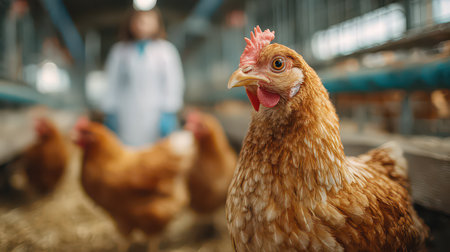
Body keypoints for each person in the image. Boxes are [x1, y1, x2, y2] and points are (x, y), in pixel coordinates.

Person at [102, 8, 184, 146]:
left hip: (157, 117)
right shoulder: (119, 51)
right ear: (130, 24)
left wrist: (169, 111)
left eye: (148, 19)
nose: (142, 23)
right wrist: (110, 111)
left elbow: (174, 83)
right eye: (138, 20)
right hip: (126, 116)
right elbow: (111, 83)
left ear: (158, 23)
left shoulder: (166, 51)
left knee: (155, 159)